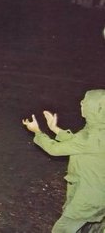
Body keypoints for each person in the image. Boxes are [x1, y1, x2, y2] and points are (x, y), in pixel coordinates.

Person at [22, 89, 105, 233]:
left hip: (88, 197)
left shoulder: (90, 136)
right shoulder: (98, 130)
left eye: (86, 101)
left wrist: (37, 132)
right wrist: (55, 129)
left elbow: (54, 149)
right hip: (98, 194)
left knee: (62, 230)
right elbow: (78, 145)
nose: (82, 103)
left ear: (95, 109)